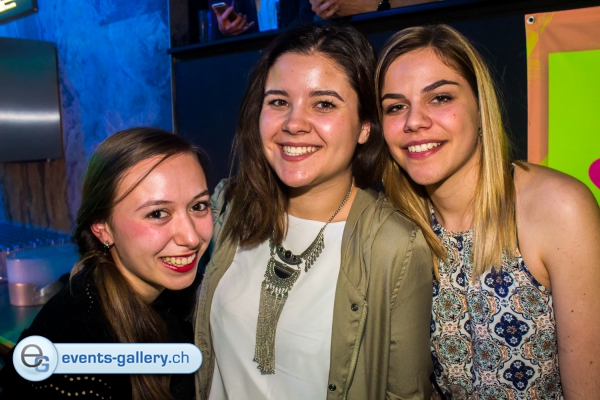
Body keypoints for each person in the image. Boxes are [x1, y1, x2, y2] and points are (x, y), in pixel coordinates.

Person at [194, 24, 433, 400]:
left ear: (365, 126)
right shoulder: (228, 206)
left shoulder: (394, 248)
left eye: (324, 104)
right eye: (278, 102)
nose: (293, 123)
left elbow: (405, 394)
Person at [375, 24, 600, 399]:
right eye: (395, 107)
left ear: (480, 107)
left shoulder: (558, 208)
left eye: (440, 98)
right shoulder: (396, 227)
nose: (414, 121)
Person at [0, 128, 213, 400]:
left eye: (198, 206)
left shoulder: (171, 295)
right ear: (103, 228)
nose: (192, 237)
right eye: (158, 213)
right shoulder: (78, 348)